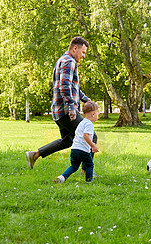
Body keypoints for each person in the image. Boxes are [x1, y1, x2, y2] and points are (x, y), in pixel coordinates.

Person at [25, 36, 95, 170]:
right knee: (91, 135)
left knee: (68, 141)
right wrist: (71, 108)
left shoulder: (63, 60)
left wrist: (86, 99)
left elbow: (74, 87)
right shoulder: (69, 61)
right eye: (83, 52)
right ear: (75, 48)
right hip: (66, 111)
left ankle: (34, 155)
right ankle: (88, 173)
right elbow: (64, 85)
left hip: (59, 111)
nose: (84, 56)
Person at [55, 101, 100, 183]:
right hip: (83, 150)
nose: (98, 116)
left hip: (74, 149)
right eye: (98, 114)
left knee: (74, 166)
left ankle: (62, 177)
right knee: (89, 165)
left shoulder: (81, 123)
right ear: (93, 114)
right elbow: (85, 135)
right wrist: (93, 145)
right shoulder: (89, 124)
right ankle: (89, 181)